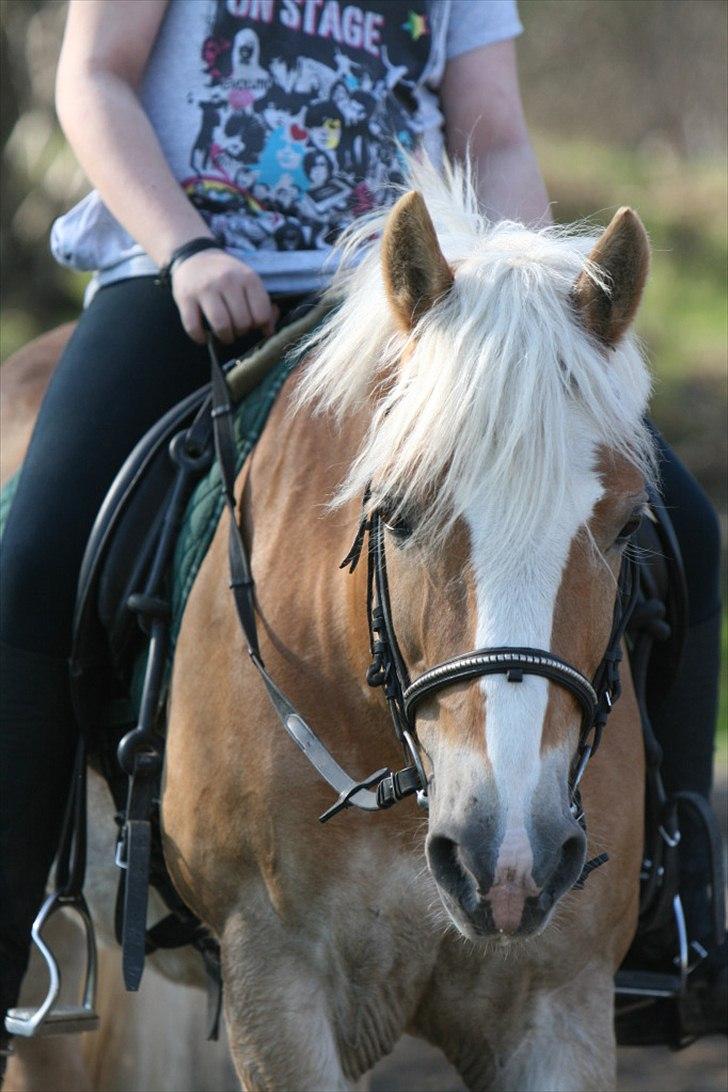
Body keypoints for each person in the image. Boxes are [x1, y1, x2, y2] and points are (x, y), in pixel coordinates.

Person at [0, 0, 723, 1064]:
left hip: (423, 304)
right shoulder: (182, 255)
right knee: (33, 558)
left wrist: (530, 307)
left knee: (686, 532)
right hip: (188, 281)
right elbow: (94, 78)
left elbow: (494, 133)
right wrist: (186, 248)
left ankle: (672, 910)